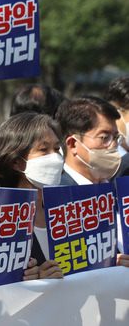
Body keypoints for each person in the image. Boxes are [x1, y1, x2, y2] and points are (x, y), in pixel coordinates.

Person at [0, 112, 64, 279]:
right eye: (44, 150)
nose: (55, 158)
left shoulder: (66, 210)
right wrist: (35, 282)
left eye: (57, 149)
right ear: (15, 161)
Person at [55, 95, 129, 267]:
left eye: (116, 138)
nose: (112, 146)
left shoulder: (119, 193)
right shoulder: (56, 197)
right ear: (73, 144)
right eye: (104, 138)